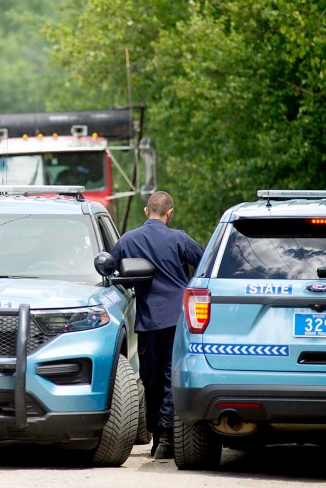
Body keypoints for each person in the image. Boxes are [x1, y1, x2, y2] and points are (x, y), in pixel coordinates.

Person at [110, 191, 204, 460]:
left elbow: (111, 270)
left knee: (150, 379)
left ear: (145, 211)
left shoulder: (128, 240)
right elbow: (206, 264)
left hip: (148, 319)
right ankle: (166, 435)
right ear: (169, 213)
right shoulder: (179, 239)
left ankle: (159, 434)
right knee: (170, 377)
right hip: (178, 319)